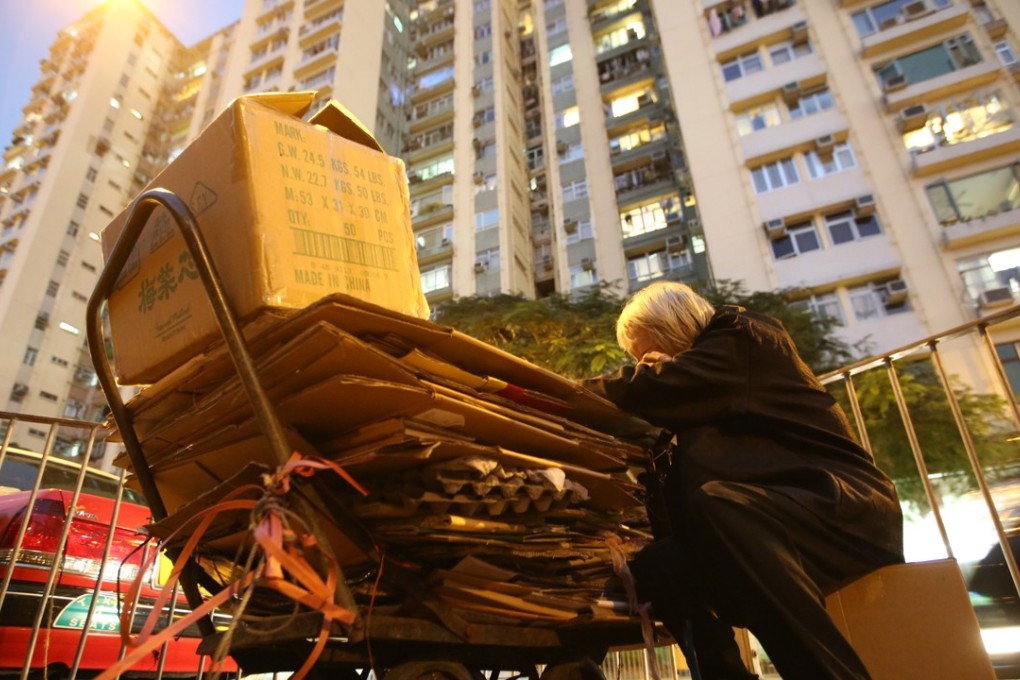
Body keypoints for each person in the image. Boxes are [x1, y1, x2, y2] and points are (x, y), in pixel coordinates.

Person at [583, 282, 904, 680]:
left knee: (719, 502)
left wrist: (571, 393)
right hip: (761, 530)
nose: (648, 367)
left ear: (677, 330)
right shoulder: (694, 406)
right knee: (660, 563)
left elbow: (653, 385)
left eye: (649, 356)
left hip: (840, 511)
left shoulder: (745, 336)